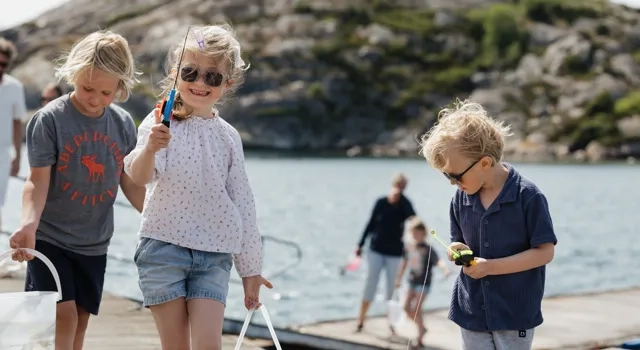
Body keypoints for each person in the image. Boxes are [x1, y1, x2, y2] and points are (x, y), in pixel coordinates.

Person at [123, 24, 272, 350]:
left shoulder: (229, 137)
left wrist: (250, 269)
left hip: (214, 255)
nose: (200, 83)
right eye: (190, 72)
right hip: (163, 249)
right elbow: (139, 176)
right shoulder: (160, 121)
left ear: (227, 83)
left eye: (213, 77)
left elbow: (243, 203)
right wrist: (150, 148)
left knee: (209, 345)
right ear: (176, 74)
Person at [8, 30, 146, 350]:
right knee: (63, 316)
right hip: (50, 237)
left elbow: (129, 181)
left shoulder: (124, 124)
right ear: (72, 73)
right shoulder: (50, 120)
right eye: (86, 87)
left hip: (94, 242)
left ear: (120, 88)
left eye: (105, 92)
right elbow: (37, 180)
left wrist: (155, 219)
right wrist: (28, 224)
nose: (94, 98)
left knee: (81, 318)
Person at [419, 99, 557, 350]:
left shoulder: (528, 196)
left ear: (484, 163)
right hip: (471, 310)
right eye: (446, 175)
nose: (452, 182)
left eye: (455, 175)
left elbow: (545, 252)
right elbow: (457, 240)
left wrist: (490, 267)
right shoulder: (461, 198)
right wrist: (456, 250)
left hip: (514, 312)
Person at [355, 172, 416, 333]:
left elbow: (413, 220)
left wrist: (400, 201)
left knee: (392, 289)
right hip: (376, 249)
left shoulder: (405, 204)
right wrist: (360, 244)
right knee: (370, 284)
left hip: (395, 253)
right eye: (398, 184)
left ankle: (391, 323)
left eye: (403, 185)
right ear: (393, 184)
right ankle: (361, 320)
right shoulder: (381, 202)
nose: (400, 188)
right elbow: (370, 223)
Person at [395, 216, 451, 349]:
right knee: (405, 308)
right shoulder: (408, 247)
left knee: (417, 309)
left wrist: (445, 269)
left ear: (424, 233)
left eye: (418, 233)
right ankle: (422, 328)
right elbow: (403, 263)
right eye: (413, 233)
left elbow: (438, 260)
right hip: (411, 281)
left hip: (424, 283)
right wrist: (398, 279)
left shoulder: (427, 248)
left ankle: (419, 338)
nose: (416, 235)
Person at [0, 37, 27, 230]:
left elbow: (17, 123)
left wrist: (18, 157)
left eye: (3, 64)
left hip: (2, 155)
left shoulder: (14, 87)